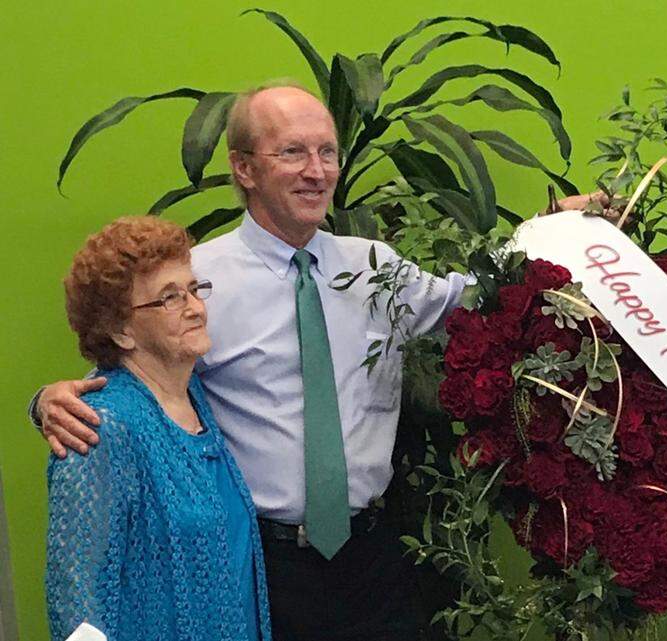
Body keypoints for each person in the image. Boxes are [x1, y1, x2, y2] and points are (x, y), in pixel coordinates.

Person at [36, 84, 471, 640]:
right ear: (243, 168)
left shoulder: (376, 270)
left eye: (328, 152)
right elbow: (135, 382)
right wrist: (47, 402)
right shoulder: (196, 281)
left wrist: (563, 237)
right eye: (292, 152)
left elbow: (476, 300)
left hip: (378, 557)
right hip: (266, 568)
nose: (317, 171)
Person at [46, 216, 271, 641]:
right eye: (168, 298)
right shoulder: (101, 428)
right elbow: (74, 602)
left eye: (192, 289)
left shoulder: (195, 395)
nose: (194, 307)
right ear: (120, 330)